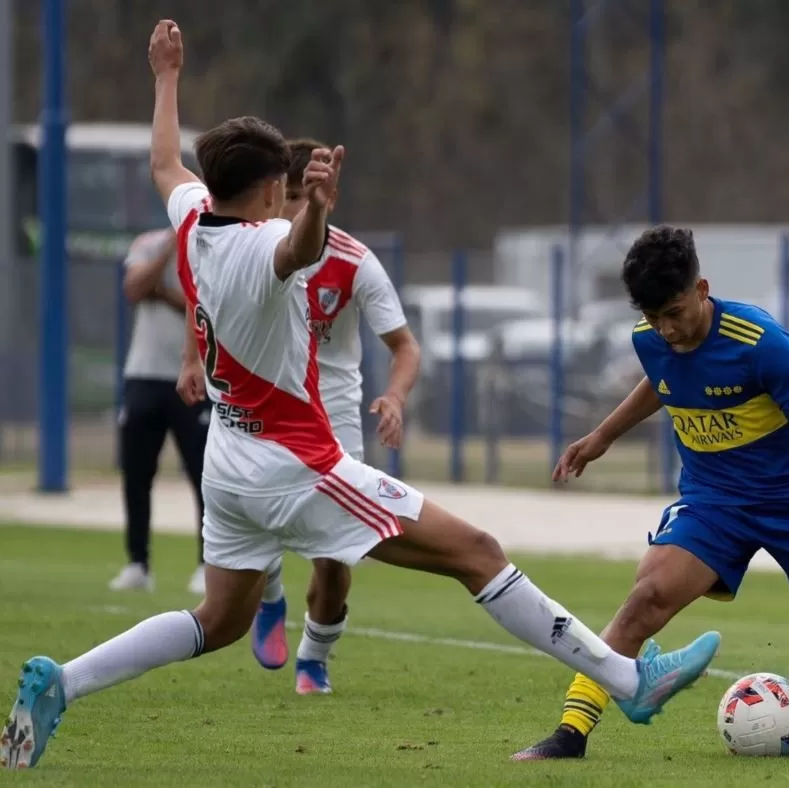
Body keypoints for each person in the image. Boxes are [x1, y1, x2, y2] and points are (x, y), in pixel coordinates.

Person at [0, 22, 720, 770]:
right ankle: (628, 680)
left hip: (230, 463)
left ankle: (65, 682)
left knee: (216, 621)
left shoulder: (190, 220)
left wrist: (165, 79)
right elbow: (298, 249)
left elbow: (161, 162)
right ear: (272, 190)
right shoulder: (257, 246)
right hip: (293, 464)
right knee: (477, 552)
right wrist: (315, 205)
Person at [512, 226, 789, 761]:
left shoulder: (762, 344)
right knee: (645, 599)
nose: (667, 330)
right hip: (714, 501)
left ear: (702, 289)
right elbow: (662, 379)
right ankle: (570, 733)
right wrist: (601, 437)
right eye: (653, 318)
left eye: (674, 313)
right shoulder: (650, 339)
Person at [251, 138, 422, 695]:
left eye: (302, 196)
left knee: (335, 554)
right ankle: (268, 593)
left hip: (336, 418)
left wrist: (394, 397)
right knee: (252, 513)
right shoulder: (252, 248)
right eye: (286, 196)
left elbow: (405, 347)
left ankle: (313, 659)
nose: (292, 208)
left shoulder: (354, 262)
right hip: (269, 406)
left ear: (326, 198)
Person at [113, 225, 210, 595]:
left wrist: (166, 293)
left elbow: (204, 309)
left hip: (195, 376)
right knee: (136, 474)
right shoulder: (148, 241)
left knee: (205, 476)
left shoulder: (212, 244)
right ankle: (138, 563)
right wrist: (171, 247)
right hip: (143, 374)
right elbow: (134, 289)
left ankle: (206, 565)